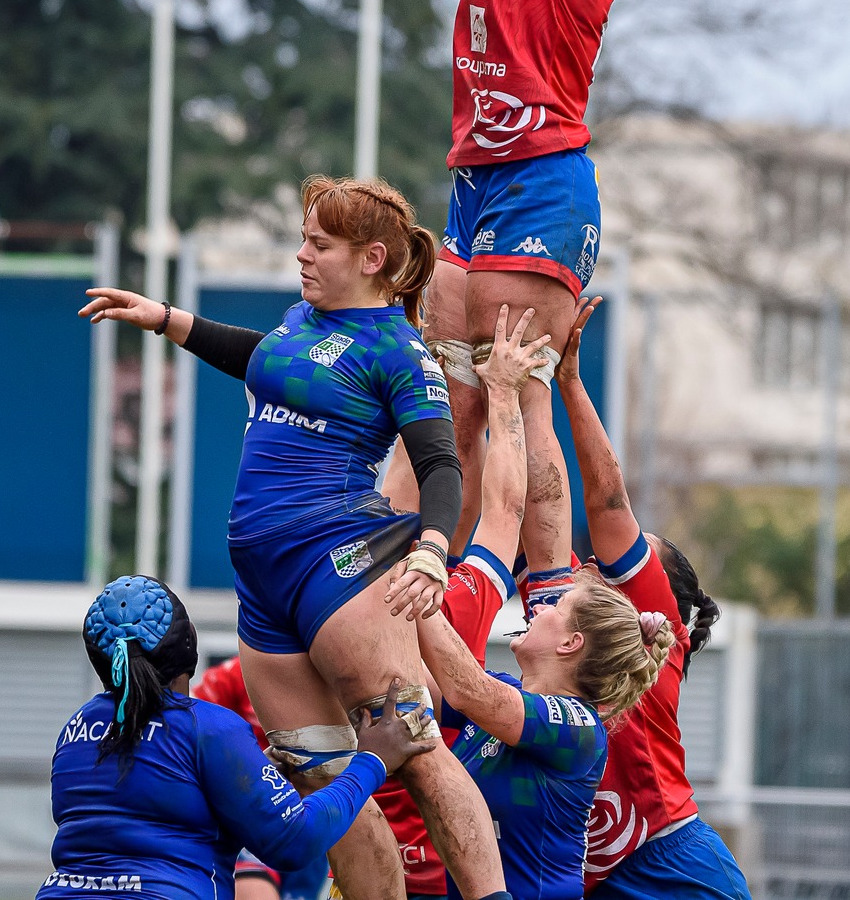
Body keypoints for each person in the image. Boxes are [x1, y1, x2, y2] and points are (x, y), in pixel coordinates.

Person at [79, 175, 510, 900]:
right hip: (263, 588)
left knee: (413, 748)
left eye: (319, 243)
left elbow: (438, 462)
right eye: (303, 238)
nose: (301, 254)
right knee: (333, 791)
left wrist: (433, 547)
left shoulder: (400, 350)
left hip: (337, 567)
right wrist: (166, 318)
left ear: (372, 257)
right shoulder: (301, 322)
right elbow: (268, 361)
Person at [427, 0, 632, 604]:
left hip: (541, 183)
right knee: (458, 402)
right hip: (475, 183)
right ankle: (446, 567)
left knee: (517, 393)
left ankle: (547, 587)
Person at [40, 575, 432, 900]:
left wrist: (243, 785)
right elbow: (294, 841)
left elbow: (142, 822)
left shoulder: (74, 730)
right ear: (189, 646)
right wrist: (373, 760)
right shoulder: (209, 727)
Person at [556, 299, 748, 899]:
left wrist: (566, 383)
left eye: (623, 562)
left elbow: (608, 503)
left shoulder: (649, 646)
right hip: (591, 877)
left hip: (671, 866)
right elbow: (533, 501)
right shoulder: (564, 617)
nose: (595, 560)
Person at [379, 307, 551, 899]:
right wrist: (501, 391)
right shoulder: (458, 601)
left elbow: (419, 476)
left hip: (368, 871)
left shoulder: (340, 591)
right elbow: (503, 507)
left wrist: (427, 365)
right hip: (445, 875)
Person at [417, 560, 673, 900]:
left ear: (571, 643)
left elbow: (468, 690)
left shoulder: (578, 728)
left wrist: (420, 582)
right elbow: (410, 683)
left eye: (556, 605)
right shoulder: (503, 694)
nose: (537, 606)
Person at [191, 656, 333, 900]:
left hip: (312, 809)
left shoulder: (331, 673)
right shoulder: (236, 674)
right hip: (253, 810)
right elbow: (191, 731)